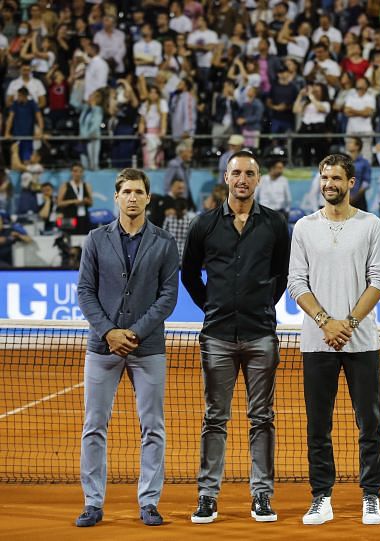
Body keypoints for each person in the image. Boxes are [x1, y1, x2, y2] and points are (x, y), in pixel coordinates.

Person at [182, 150, 290, 524]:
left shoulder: (276, 225)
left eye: (249, 173)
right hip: (217, 337)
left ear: (258, 179)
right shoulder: (204, 225)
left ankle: (262, 495)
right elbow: (190, 275)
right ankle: (207, 496)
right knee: (215, 418)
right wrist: (213, 305)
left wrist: (260, 305)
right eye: (236, 173)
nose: (242, 179)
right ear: (226, 178)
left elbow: (281, 273)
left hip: (261, 334)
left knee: (262, 417)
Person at [287, 153, 380, 526]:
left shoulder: (371, 225)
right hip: (317, 343)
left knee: (370, 424)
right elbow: (296, 281)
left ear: (351, 183)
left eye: (336, 178)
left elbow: (378, 278)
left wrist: (347, 323)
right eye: (325, 177)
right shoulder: (303, 227)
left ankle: (372, 496)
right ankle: (321, 496)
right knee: (318, 425)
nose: (329, 184)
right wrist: (325, 322)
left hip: (361, 342)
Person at [75, 168, 179, 527]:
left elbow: (168, 297)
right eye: (126, 191)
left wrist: (131, 333)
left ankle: (149, 502)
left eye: (138, 191)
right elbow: (85, 291)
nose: (132, 197)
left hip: (147, 347)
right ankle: (92, 503)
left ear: (148, 197)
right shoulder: (94, 239)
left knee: (153, 427)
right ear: (117, 197)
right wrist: (109, 333)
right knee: (94, 426)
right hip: (102, 348)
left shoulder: (165, 242)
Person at [57, 163, 94, 235]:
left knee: (84, 239)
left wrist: (86, 201)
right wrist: (74, 201)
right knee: (69, 239)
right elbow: (59, 203)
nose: (78, 174)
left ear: (83, 173)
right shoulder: (65, 185)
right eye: (75, 171)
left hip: (83, 217)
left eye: (80, 171)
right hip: (69, 217)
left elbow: (91, 203)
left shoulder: (86, 185)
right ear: (71, 172)